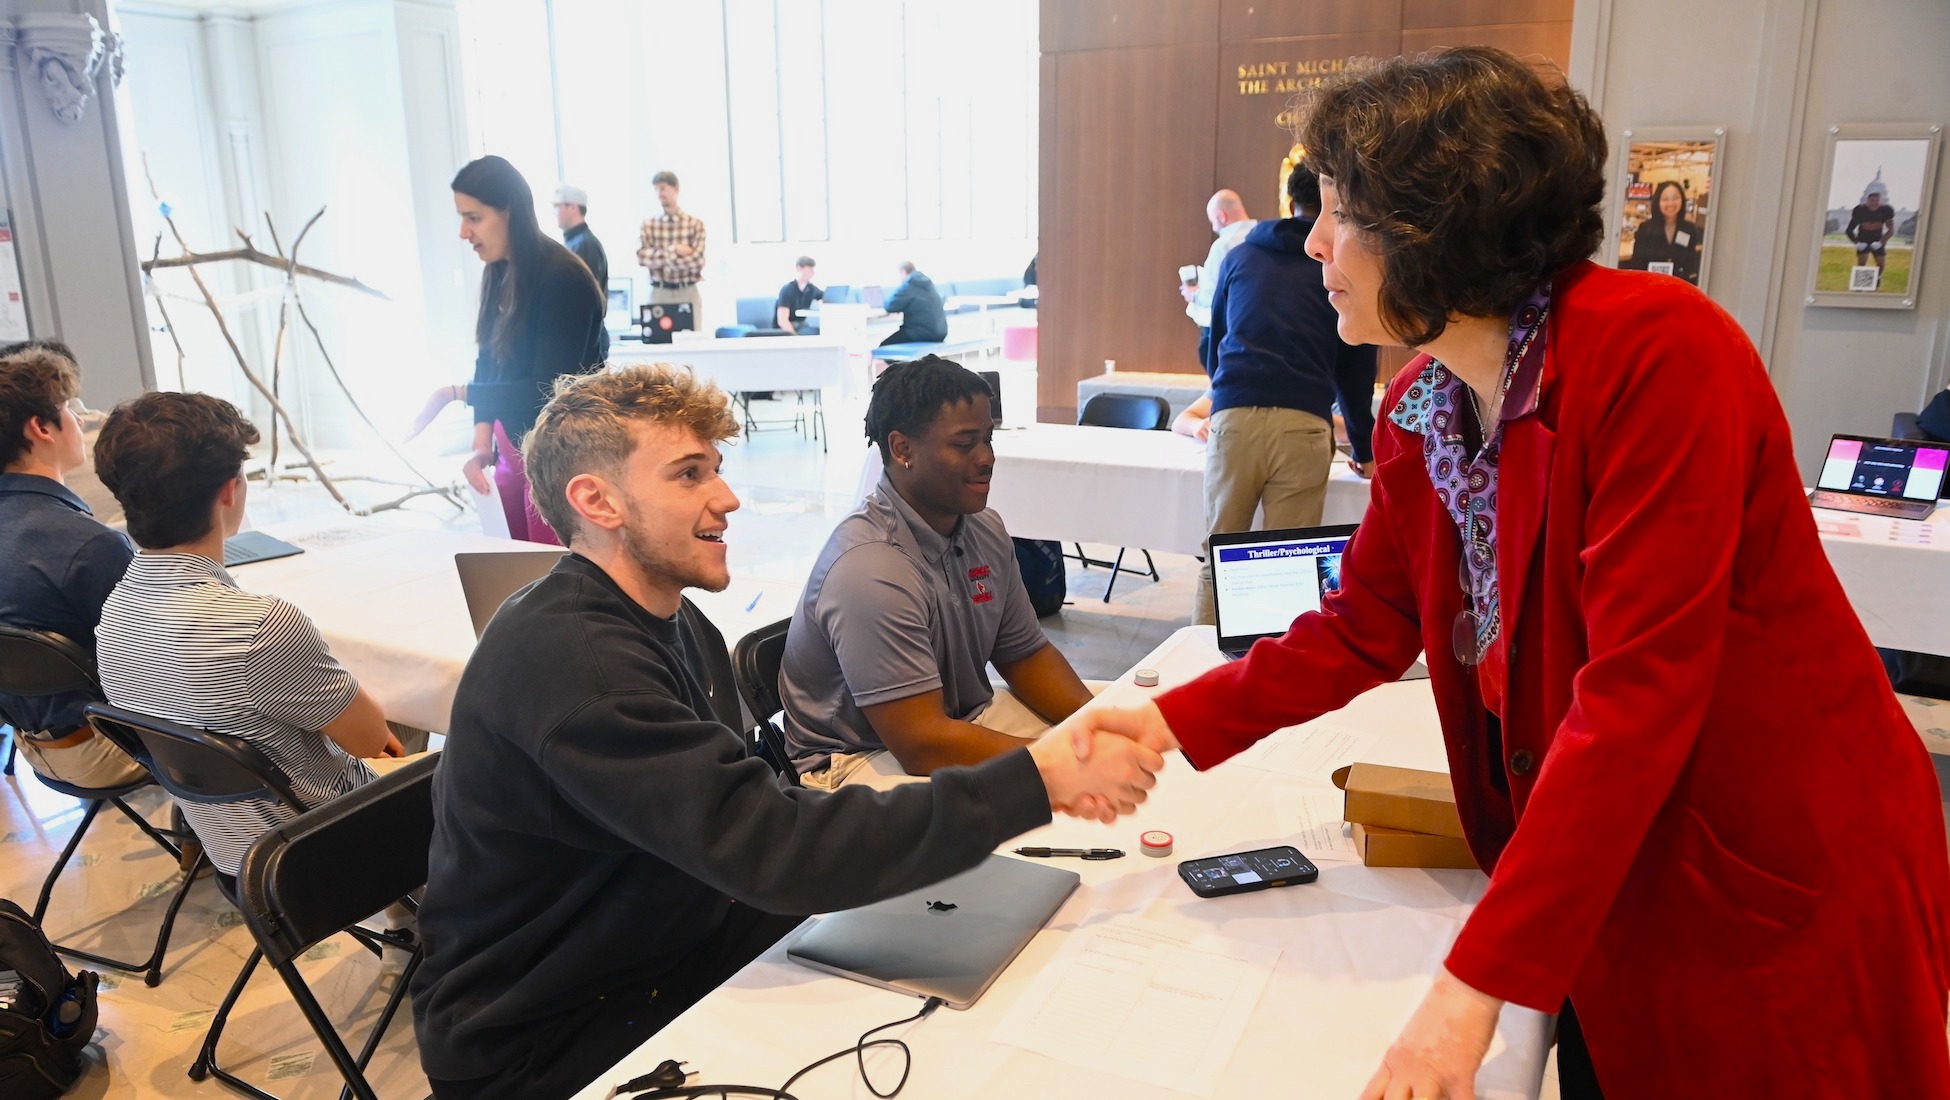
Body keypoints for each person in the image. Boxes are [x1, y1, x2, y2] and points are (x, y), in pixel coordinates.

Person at [1060, 47, 1950, 1099]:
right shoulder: (1424, 409)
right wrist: (1176, 720)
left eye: (1339, 213)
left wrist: (1468, 986)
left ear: (1429, 229)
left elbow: (1634, 696)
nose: (1314, 242)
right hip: (1613, 859)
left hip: (1761, 854)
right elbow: (1363, 623)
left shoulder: (1659, 354)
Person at [409, 363, 1160, 1100]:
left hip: (670, 944)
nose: (727, 498)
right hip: (550, 1034)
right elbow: (771, 844)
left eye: (718, 469)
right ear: (596, 500)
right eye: (689, 474)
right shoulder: (579, 666)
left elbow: (759, 811)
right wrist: (1038, 779)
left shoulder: (670, 617)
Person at [91, 392, 414, 879]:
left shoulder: (115, 611)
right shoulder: (261, 626)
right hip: (323, 850)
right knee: (434, 736)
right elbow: (372, 741)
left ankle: (406, 922)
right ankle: (422, 914)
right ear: (229, 490)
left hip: (232, 851)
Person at [779, 357, 1097, 788]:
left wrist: (1098, 725)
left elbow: (1025, 655)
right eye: (965, 444)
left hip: (952, 721)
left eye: (988, 438)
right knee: (1068, 800)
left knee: (1102, 767)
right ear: (902, 449)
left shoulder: (985, 527)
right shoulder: (871, 569)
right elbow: (921, 744)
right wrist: (1059, 761)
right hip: (857, 760)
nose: (987, 458)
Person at [1192, 164, 1377, 625]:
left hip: (1234, 419)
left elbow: (1212, 345)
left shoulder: (1241, 256)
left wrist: (1232, 390)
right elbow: (1355, 368)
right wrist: (1365, 445)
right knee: (1287, 561)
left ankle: (1197, 672)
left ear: (1288, 202)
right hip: (1304, 424)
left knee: (1218, 552)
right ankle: (1274, 679)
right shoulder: (1340, 262)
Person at [409, 156, 607, 545]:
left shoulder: (562, 277)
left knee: (550, 566)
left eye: (474, 217)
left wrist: (455, 395)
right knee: (517, 562)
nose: (463, 232)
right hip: (515, 445)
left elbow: (549, 387)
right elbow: (489, 357)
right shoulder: (500, 269)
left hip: (560, 454)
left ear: (510, 212)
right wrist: (483, 431)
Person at [0, 343, 145, 790]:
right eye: (69, 408)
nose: (80, 420)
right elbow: (152, 666)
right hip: (106, 748)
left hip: (33, 747)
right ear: (41, 427)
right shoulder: (89, 546)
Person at [1180, 189, 1256, 368]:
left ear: (1221, 216)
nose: (1214, 228)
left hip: (1227, 331)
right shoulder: (1262, 238)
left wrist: (1193, 295)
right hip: (1257, 328)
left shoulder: (1223, 246)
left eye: (1212, 221)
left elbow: (1211, 295)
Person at [637, 169, 707, 321]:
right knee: (657, 342)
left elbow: (698, 261)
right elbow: (642, 258)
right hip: (659, 292)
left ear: (676, 189)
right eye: (656, 190)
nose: (659, 194)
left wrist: (659, 258)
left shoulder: (694, 224)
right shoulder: (649, 225)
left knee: (693, 341)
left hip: (688, 291)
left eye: (662, 188)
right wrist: (674, 250)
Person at [1626, 180, 1702, 284]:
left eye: (1675, 198)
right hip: (1651, 286)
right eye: (1665, 199)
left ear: (1682, 200)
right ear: (1658, 202)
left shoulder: (1689, 229)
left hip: (1678, 286)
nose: (1670, 203)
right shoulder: (1645, 228)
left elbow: (1691, 262)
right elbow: (1637, 263)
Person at [552, 184, 608, 292]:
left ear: (573, 207)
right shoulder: (575, 243)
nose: (553, 213)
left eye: (557, 206)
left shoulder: (585, 245)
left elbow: (584, 295)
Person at [879, 261, 948, 346]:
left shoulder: (910, 283)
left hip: (922, 333)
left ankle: (880, 359)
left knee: (884, 346)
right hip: (940, 333)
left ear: (903, 272)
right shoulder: (927, 282)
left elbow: (889, 305)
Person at [1846, 183, 1900, 281]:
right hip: (1863, 237)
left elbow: (1891, 231)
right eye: (1872, 201)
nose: (1874, 203)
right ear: (1868, 201)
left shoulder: (1886, 211)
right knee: (1862, 262)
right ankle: (1862, 283)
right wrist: (1857, 243)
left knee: (1881, 262)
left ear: (1880, 202)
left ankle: (1875, 279)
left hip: (1877, 238)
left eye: (1876, 201)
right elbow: (1849, 230)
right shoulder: (1860, 211)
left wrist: (1881, 242)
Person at [773, 255, 823, 335]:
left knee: (820, 332)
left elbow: (825, 297)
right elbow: (782, 320)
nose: (812, 273)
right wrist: (795, 338)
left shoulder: (811, 289)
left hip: (801, 326)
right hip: (786, 329)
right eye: (810, 269)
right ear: (799, 268)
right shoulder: (787, 290)